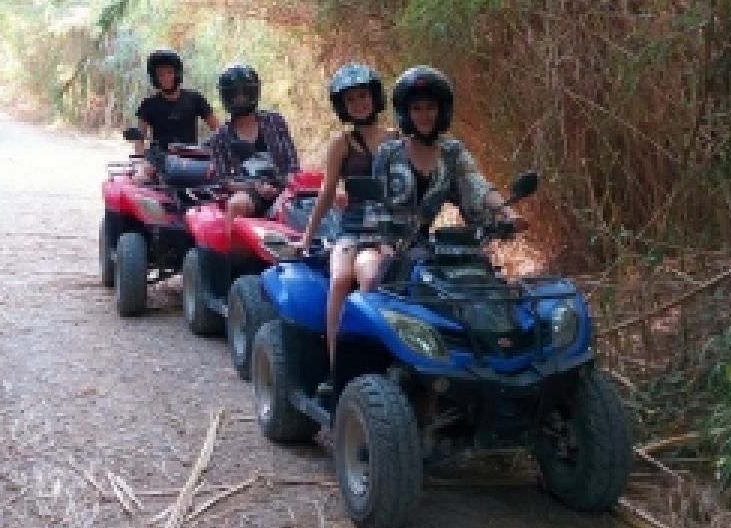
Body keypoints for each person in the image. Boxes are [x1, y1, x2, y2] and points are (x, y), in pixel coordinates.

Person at [298, 63, 399, 362]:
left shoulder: (398, 140)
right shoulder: (341, 144)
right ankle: (335, 362)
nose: (358, 104)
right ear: (342, 106)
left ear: (374, 97)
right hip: (352, 227)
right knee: (341, 277)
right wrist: (307, 237)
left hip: (390, 226)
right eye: (350, 99)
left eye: (362, 96)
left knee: (371, 276)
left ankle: (374, 356)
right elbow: (327, 191)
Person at [373, 65, 520, 242]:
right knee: (375, 268)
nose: (424, 114)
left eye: (430, 107)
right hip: (387, 245)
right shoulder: (388, 152)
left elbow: (476, 185)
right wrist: (382, 245)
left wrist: (508, 213)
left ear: (441, 111)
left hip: (426, 247)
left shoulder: (451, 152)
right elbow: (375, 203)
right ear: (406, 113)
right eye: (417, 108)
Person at [207, 62, 299, 219]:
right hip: (249, 192)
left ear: (253, 92)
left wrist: (284, 186)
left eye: (245, 93)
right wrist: (257, 186)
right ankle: (233, 244)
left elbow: (292, 164)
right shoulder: (220, 137)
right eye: (235, 95)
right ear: (227, 97)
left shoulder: (274, 121)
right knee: (236, 205)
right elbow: (225, 181)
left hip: (284, 187)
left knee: (330, 199)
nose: (240, 99)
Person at [133, 47, 215, 152]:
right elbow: (139, 140)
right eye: (160, 74)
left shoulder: (195, 99)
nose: (165, 77)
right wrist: (142, 159)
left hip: (191, 160)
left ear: (177, 73)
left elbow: (218, 129)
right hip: (159, 162)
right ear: (155, 78)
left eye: (169, 72)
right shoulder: (148, 105)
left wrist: (210, 149)